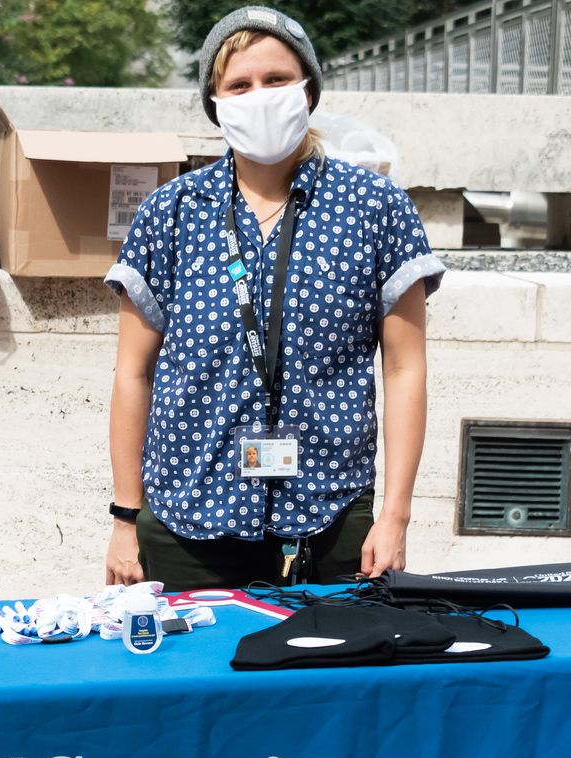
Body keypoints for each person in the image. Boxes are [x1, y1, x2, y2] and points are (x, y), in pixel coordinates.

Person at [103, 6, 441, 591]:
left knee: (329, 679)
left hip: (333, 521)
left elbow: (405, 369)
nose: (259, 96)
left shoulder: (375, 208)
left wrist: (395, 514)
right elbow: (134, 374)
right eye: (239, 84)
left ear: (308, 89)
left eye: (277, 79)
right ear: (216, 103)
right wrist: (125, 518)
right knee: (192, 682)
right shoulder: (172, 212)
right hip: (188, 517)